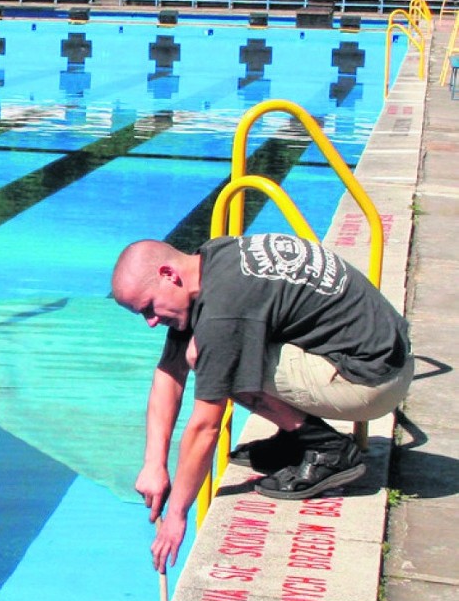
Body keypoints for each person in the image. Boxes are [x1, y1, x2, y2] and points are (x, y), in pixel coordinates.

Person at [111, 234, 414, 573]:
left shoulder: (223, 310)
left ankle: (327, 449)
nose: (150, 322)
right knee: (214, 349)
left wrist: (178, 516)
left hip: (373, 380)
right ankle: (294, 436)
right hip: (382, 353)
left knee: (213, 357)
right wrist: (154, 465)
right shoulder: (212, 261)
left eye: (149, 308)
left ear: (169, 274)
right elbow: (169, 373)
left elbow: (205, 427)